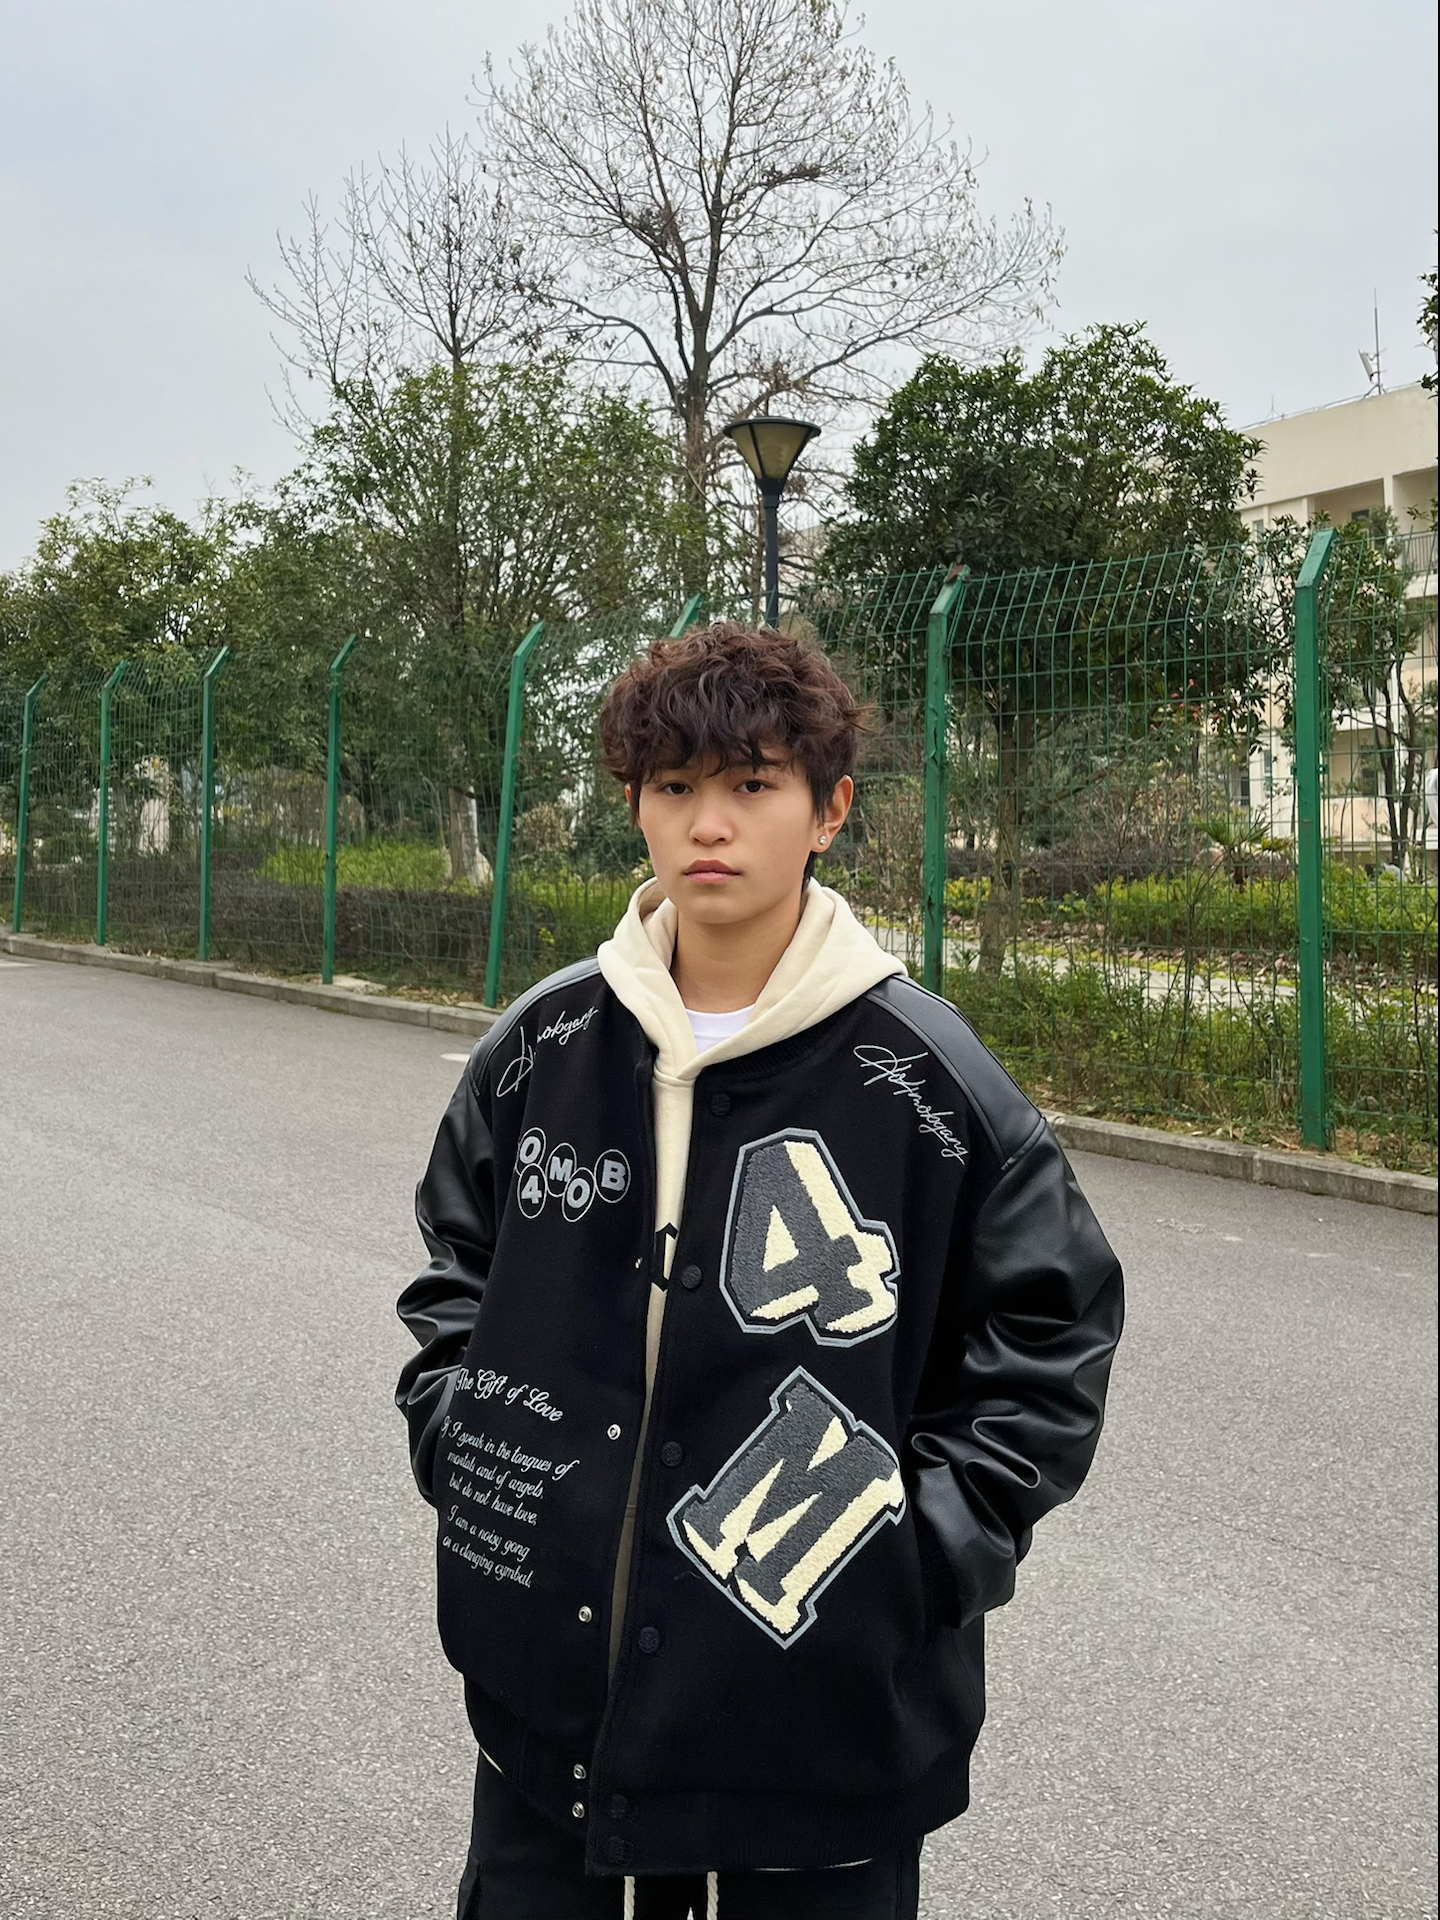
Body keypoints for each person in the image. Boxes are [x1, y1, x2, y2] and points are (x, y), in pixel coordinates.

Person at [396, 621, 1124, 1920]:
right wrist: (467, 1443)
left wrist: (916, 1557)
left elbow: (1049, 1339)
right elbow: (458, 1272)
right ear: (634, 803)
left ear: (830, 809)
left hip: (819, 1744)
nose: (709, 824)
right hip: (550, 1725)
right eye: (674, 785)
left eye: (752, 783)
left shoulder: (931, 1087)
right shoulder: (541, 1051)